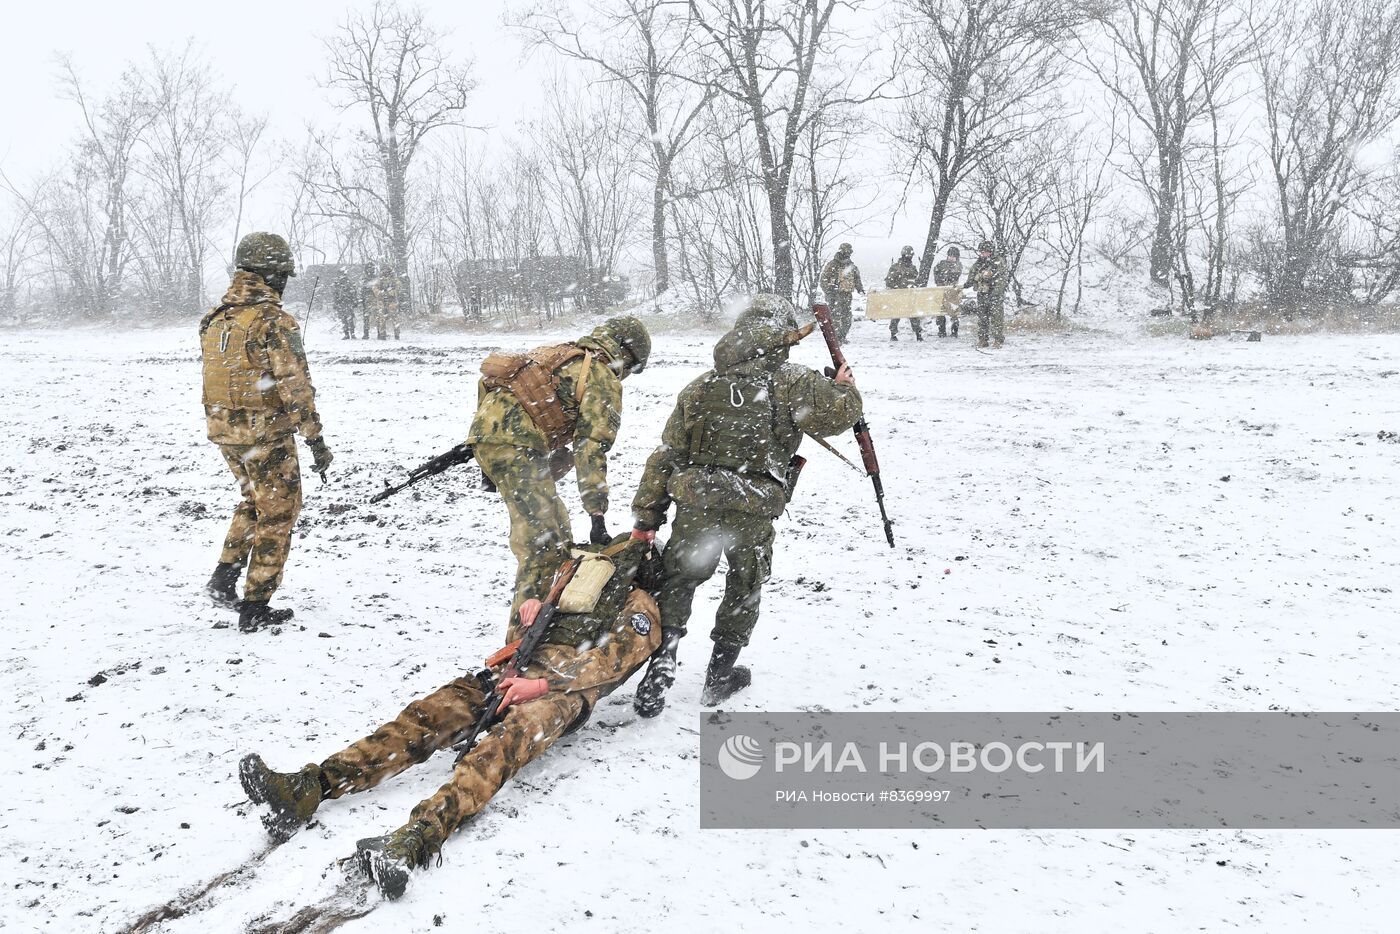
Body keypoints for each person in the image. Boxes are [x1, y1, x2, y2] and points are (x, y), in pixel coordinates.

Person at [238, 537, 663, 901]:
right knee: (428, 716)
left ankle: (415, 840)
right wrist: (527, 611)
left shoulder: (639, 606)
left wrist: (544, 687)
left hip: (560, 696)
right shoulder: (571, 589)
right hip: (512, 670)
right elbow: (518, 638)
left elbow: (612, 662)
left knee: (498, 750)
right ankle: (310, 787)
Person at [629, 295, 864, 715]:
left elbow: (667, 455)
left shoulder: (700, 386)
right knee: (745, 583)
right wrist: (846, 388)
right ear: (781, 337)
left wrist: (647, 517)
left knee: (679, 579)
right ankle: (720, 677)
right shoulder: (793, 381)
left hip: (697, 500)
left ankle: (663, 660)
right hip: (752, 505)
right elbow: (838, 417)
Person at [466, 316, 651, 625]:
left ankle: (533, 624)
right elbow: (591, 447)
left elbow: (495, 386)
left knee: (550, 534)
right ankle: (521, 637)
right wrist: (597, 515)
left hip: (493, 437)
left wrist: (486, 446)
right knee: (545, 543)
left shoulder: (559, 353)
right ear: (626, 355)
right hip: (517, 445)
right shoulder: (601, 376)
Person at [200, 232, 333, 632]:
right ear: (272, 275)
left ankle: (224, 580)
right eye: (283, 276)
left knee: (254, 500)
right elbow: (295, 386)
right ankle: (255, 605)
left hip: (224, 430)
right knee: (279, 513)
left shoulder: (216, 318)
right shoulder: (273, 321)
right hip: (264, 435)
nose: (285, 283)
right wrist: (315, 439)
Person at [819, 242, 864, 344]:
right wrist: (829, 289)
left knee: (847, 317)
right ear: (842, 252)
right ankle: (835, 338)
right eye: (846, 252)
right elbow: (823, 280)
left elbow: (857, 278)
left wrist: (860, 289)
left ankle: (842, 336)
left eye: (849, 252)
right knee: (835, 317)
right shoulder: (832, 265)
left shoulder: (851, 266)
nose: (848, 254)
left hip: (846, 295)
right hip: (834, 296)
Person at [967, 240, 1009, 348]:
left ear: (990, 251)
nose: (982, 254)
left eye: (985, 252)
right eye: (981, 252)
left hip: (994, 294)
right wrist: (971, 281)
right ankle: (983, 339)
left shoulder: (998, 262)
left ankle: (997, 340)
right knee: (982, 318)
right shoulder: (979, 263)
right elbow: (972, 274)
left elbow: (1002, 279)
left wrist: (995, 293)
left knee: (996, 318)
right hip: (982, 293)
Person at [885, 245, 922, 342]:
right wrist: (897, 287)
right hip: (899, 295)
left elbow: (916, 280)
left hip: (910, 295)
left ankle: (918, 334)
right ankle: (893, 334)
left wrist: (915, 284)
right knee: (896, 315)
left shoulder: (913, 268)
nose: (909, 257)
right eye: (907, 255)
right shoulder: (895, 267)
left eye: (910, 255)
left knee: (914, 315)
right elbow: (889, 281)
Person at [932, 246, 964, 339]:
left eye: (954, 256)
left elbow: (954, 275)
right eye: (950, 255)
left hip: (953, 292)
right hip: (941, 290)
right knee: (941, 312)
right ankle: (941, 331)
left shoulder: (958, 265)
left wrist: (945, 276)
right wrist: (940, 280)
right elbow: (936, 273)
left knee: (954, 312)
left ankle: (954, 331)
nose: (951, 257)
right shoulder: (941, 264)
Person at [370, 265, 402, 340]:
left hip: (392, 301)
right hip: (382, 301)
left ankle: (397, 335)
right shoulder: (380, 279)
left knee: (395, 318)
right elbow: (374, 288)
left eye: (386, 270)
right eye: (384, 270)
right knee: (381, 318)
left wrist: (391, 292)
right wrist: (380, 293)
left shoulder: (394, 279)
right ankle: (382, 334)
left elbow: (399, 288)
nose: (385, 272)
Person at [331, 266, 360, 340]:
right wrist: (335, 303)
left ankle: (352, 334)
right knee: (344, 319)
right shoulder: (337, 284)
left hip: (347, 303)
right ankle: (346, 334)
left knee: (350, 319)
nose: (341, 276)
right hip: (341, 303)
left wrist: (354, 301)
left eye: (341, 274)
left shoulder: (348, 282)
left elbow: (353, 292)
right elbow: (335, 294)